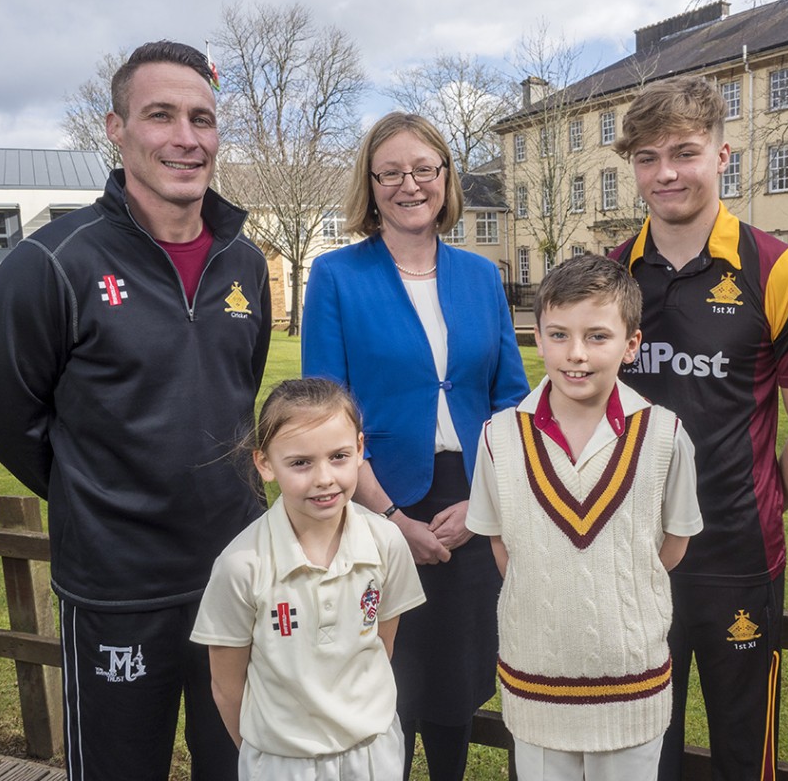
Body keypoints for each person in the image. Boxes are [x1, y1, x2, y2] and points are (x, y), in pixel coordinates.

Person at [0, 41, 272, 781]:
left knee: (238, 767)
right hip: (116, 590)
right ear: (115, 127)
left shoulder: (247, 264)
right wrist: (97, 491)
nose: (185, 137)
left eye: (201, 118)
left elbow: (237, 396)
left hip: (234, 574)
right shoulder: (52, 263)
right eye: (160, 114)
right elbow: (3, 416)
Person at [610, 75, 788, 781]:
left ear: (723, 155)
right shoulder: (609, 273)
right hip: (632, 560)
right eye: (647, 159)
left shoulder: (781, 272)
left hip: (740, 562)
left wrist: (757, 507)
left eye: (684, 152)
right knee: (647, 752)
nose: (666, 173)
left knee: (747, 755)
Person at [301, 112, 530, 780]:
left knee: (458, 684)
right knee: (387, 690)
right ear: (370, 186)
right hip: (376, 507)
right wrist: (391, 521)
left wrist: (482, 504)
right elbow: (323, 416)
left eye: (424, 169)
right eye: (391, 172)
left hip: (469, 503)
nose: (410, 185)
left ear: (446, 178)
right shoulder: (338, 276)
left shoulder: (481, 277)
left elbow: (510, 400)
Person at [466, 253, 703, 781]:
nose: (576, 354)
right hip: (537, 685)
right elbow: (506, 548)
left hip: (630, 686)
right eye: (559, 335)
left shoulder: (664, 436)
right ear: (537, 336)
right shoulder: (499, 438)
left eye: (598, 336)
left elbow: (670, 548)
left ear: (632, 344)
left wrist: (611, 580)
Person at [191, 378, 426, 780]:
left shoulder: (386, 542)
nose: (324, 478)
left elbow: (381, 644)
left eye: (338, 456)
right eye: (300, 462)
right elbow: (226, 686)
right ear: (265, 464)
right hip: (282, 762)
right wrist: (265, 754)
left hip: (374, 753)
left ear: (360, 449)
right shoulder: (241, 565)